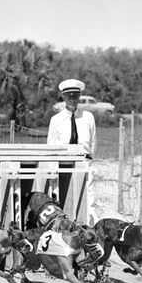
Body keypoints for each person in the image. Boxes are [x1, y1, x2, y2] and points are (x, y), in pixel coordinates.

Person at [47, 78, 97, 226]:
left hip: (84, 162)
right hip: (63, 164)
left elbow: (93, 143)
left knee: (89, 197)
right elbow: (51, 146)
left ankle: (90, 227)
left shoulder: (88, 117)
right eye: (69, 96)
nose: (72, 99)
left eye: (75, 96)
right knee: (64, 196)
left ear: (79, 97)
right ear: (63, 97)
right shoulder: (56, 120)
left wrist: (88, 160)